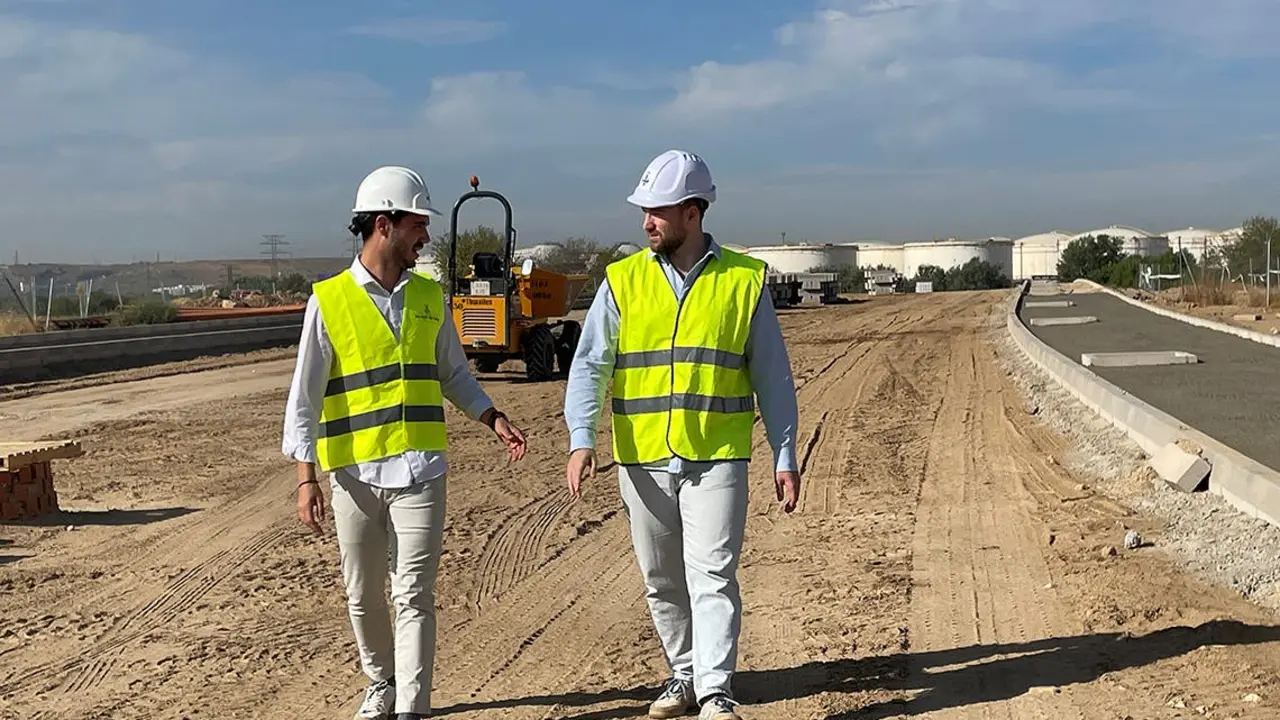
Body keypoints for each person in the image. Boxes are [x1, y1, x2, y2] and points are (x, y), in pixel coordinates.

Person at [282, 165, 528, 720]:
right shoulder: (329, 301)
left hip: (421, 471)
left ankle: (413, 707)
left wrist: (492, 416)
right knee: (362, 593)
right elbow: (304, 399)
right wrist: (305, 479)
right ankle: (382, 682)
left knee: (413, 593)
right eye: (418, 224)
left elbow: (453, 374)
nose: (426, 236)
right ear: (384, 224)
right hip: (354, 474)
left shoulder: (428, 296)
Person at [562, 150, 801, 720]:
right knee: (661, 578)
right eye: (644, 211)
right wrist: (581, 436)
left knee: (712, 574)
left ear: (693, 212)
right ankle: (684, 675)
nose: (646, 222)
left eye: (658, 211)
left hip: (717, 455)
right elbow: (590, 364)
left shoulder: (743, 280)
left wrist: (785, 453)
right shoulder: (622, 281)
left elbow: (772, 374)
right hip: (642, 457)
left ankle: (716, 691)